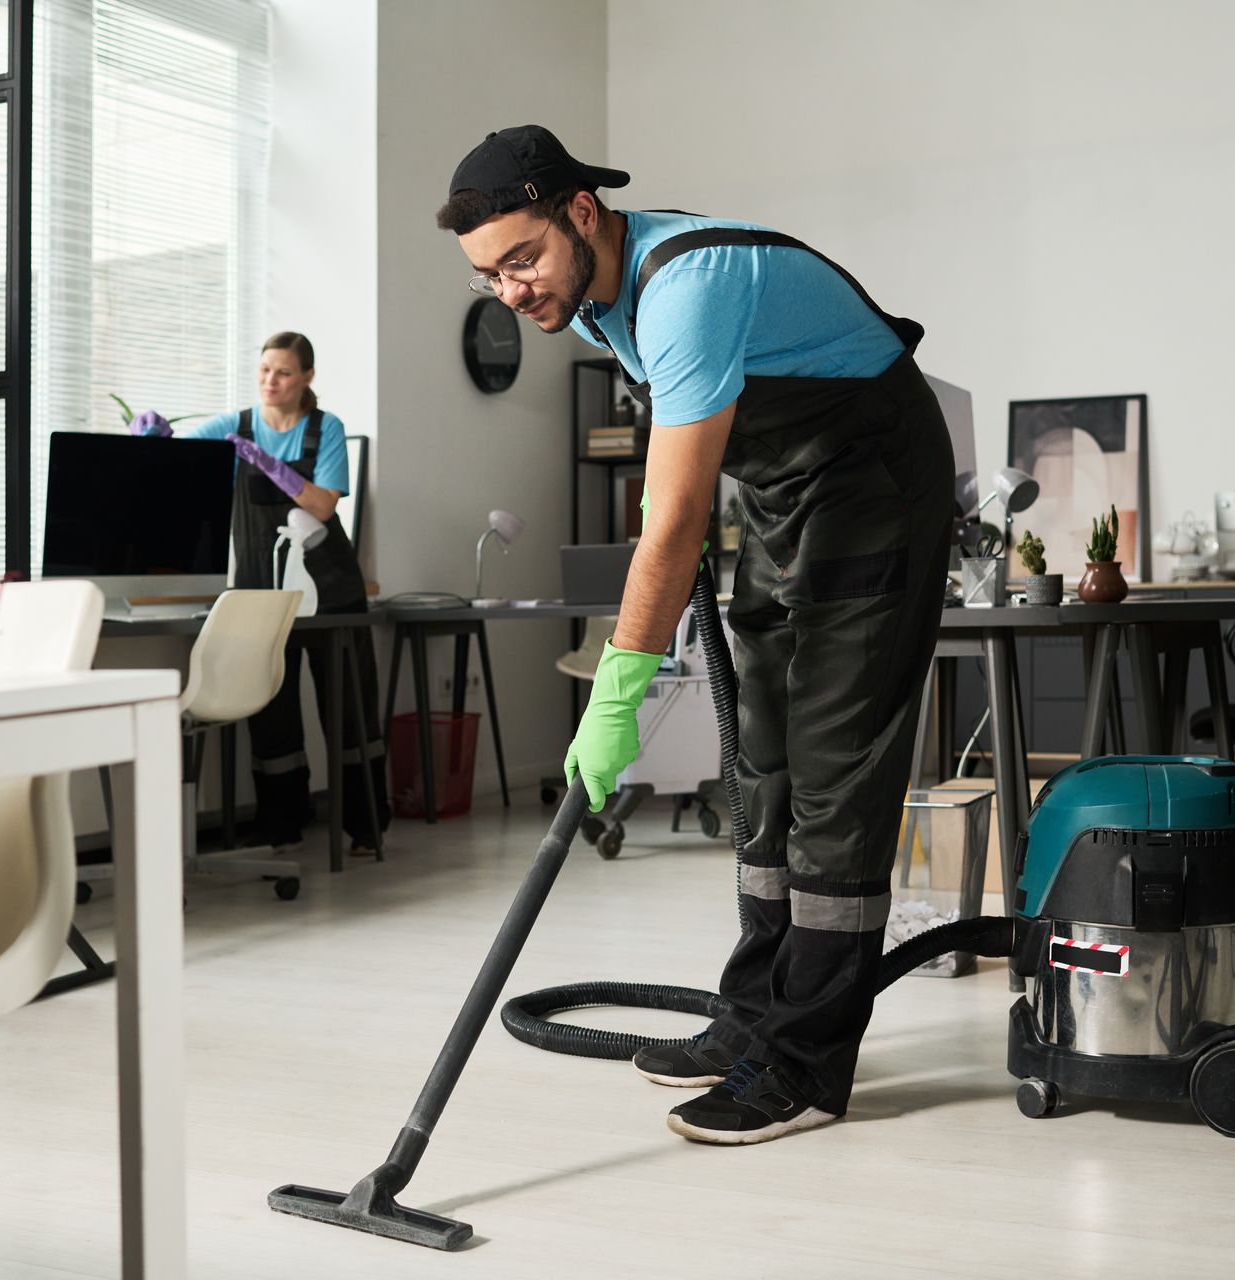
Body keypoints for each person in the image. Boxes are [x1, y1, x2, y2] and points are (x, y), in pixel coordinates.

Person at [438, 127, 952, 1146]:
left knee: (832, 769)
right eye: (490, 274)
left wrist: (618, 689)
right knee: (760, 762)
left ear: (582, 210)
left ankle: (802, 1063)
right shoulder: (595, 305)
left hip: (876, 485)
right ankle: (755, 1018)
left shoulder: (687, 285)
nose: (511, 290)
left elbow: (669, 521)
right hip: (784, 497)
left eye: (522, 257)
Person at [132, 331, 390, 852]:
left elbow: (321, 506)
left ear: (307, 379)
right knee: (273, 711)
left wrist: (271, 468)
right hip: (260, 596)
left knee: (348, 709)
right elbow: (177, 471)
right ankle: (282, 827)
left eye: (285, 372)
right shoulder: (235, 426)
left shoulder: (326, 428)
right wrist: (150, 439)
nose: (271, 381)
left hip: (329, 592)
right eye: (265, 370)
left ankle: (365, 828)